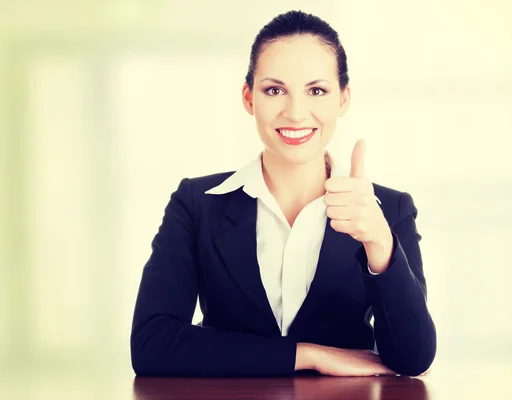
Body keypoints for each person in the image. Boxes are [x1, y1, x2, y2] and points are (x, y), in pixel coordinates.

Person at [130, 10, 436, 378]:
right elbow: (151, 345)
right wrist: (307, 355)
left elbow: (413, 359)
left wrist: (379, 243)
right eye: (275, 90)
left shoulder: (388, 209)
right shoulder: (197, 203)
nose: (295, 112)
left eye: (317, 91)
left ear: (343, 99)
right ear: (249, 98)